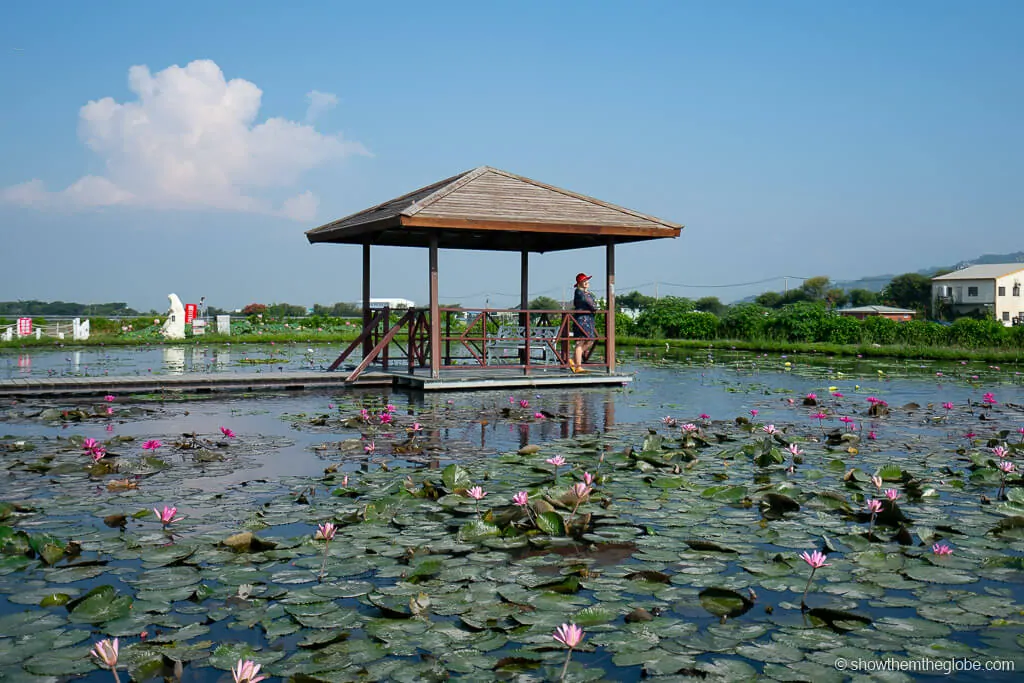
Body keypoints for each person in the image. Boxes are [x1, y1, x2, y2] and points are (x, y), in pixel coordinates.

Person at [569, 273, 597, 373]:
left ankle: (572, 359)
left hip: (588, 320)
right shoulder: (579, 292)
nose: (586, 283)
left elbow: (593, 302)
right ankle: (578, 366)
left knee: (590, 340)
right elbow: (591, 303)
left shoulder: (586, 293)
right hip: (582, 320)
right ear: (579, 283)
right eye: (583, 281)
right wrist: (594, 307)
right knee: (580, 342)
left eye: (586, 281)